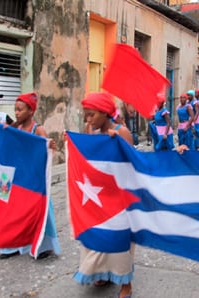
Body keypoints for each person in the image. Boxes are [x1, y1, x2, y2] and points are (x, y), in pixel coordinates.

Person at [76, 92, 134, 298]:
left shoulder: (122, 132)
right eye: (86, 115)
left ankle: (125, 282)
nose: (87, 120)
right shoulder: (89, 130)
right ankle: (100, 271)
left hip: (118, 195)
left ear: (105, 113)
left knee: (118, 240)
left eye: (91, 115)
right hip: (95, 193)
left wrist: (117, 143)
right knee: (95, 236)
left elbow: (133, 164)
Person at [0, 92, 60, 260]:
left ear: (31, 111)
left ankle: (43, 246)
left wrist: (49, 146)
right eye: (15, 110)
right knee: (14, 211)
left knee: (40, 210)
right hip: (18, 177)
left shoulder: (37, 129)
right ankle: (12, 245)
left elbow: (47, 153)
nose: (16, 113)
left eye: (20, 110)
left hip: (34, 177)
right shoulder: (15, 129)